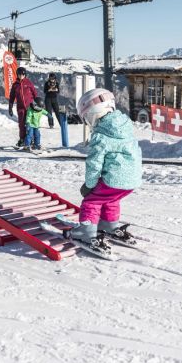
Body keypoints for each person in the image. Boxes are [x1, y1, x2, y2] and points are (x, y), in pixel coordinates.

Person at [68, 88, 142, 253]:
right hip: (132, 181)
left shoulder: (101, 135)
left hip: (115, 180)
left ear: (93, 113)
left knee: (92, 201)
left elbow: (94, 163)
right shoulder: (125, 127)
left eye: (87, 117)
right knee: (110, 199)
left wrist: (89, 185)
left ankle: (85, 233)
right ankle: (109, 225)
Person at [8, 67, 38, 148]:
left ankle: (30, 139)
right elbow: (11, 97)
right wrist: (10, 108)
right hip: (20, 107)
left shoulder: (28, 83)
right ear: (17, 75)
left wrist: (38, 103)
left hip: (30, 107)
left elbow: (35, 94)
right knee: (21, 124)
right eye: (20, 74)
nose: (21, 76)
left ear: (25, 75)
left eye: (23, 74)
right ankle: (22, 139)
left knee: (30, 124)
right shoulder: (15, 85)